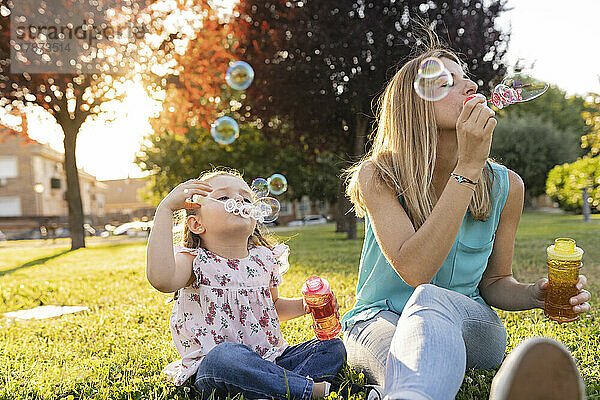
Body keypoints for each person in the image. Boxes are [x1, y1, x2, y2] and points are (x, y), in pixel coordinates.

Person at [341, 42, 592, 399]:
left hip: (468, 321)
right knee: (402, 365)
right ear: (413, 108)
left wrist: (534, 294)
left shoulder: (508, 185)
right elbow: (416, 270)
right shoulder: (378, 176)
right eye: (445, 82)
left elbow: (495, 281)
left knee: (431, 299)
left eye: (467, 77)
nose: (470, 85)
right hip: (381, 320)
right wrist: (469, 166)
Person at [146, 169, 369, 400]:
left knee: (331, 348)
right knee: (226, 356)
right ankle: (309, 390)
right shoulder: (196, 261)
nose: (239, 201)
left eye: (246, 198)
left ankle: (273, 390)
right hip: (217, 366)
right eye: (224, 197)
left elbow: (272, 307)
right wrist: (165, 209)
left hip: (270, 358)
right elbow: (161, 279)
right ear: (196, 224)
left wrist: (306, 306)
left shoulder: (264, 259)